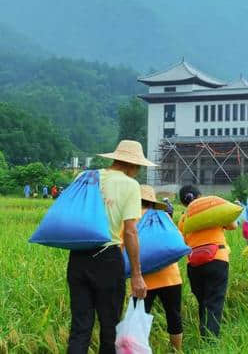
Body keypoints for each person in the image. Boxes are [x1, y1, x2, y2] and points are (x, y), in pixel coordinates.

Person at [66, 140, 152, 354]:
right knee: (109, 327)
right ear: (132, 165)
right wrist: (136, 274)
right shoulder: (129, 185)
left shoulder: (85, 177)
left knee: (80, 327)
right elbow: (130, 231)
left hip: (78, 257)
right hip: (108, 258)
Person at [178, 185, 237, 339]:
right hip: (217, 258)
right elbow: (233, 225)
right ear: (200, 195)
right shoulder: (213, 209)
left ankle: (204, 334)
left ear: (183, 203)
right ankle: (210, 341)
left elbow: (182, 241)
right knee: (214, 302)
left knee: (203, 301)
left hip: (194, 263)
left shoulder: (185, 217)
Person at [139, 185, 183, 351]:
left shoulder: (131, 219)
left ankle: (140, 348)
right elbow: (178, 239)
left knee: (139, 318)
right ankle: (176, 350)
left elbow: (123, 247)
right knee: (174, 316)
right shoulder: (164, 217)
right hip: (171, 277)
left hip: (143, 279)